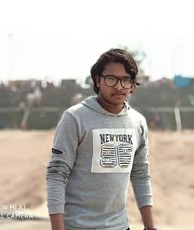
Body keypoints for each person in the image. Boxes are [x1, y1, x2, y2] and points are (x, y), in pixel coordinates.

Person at [46, 48, 156, 230]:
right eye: (111, 79)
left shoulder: (138, 122)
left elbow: (141, 174)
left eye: (126, 80)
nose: (119, 86)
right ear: (98, 79)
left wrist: (150, 226)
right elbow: (57, 174)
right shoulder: (75, 118)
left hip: (120, 226)